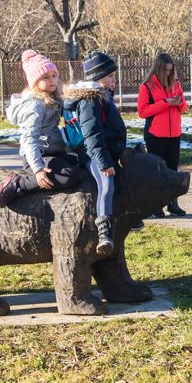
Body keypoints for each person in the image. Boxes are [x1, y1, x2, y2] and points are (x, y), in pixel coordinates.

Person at [0, 50, 83, 206]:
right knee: (69, 177)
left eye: (54, 75)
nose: (52, 80)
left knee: (83, 161)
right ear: (35, 81)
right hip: (39, 156)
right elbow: (29, 138)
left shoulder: (52, 97)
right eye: (45, 77)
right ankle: (18, 184)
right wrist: (38, 169)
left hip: (55, 152)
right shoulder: (34, 105)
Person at [64, 51, 128, 258]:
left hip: (108, 151)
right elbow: (92, 135)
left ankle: (129, 217)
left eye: (114, 76)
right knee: (106, 184)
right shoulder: (90, 100)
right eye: (110, 76)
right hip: (94, 154)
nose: (114, 80)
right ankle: (105, 234)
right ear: (97, 77)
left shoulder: (103, 95)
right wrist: (103, 163)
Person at [136, 52, 188, 218]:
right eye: (165, 70)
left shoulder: (175, 84)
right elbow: (142, 112)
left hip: (174, 134)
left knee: (173, 171)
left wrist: (179, 103)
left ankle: (172, 204)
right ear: (158, 69)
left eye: (170, 70)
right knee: (157, 172)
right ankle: (155, 206)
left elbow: (184, 108)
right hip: (155, 135)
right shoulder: (146, 87)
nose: (168, 73)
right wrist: (165, 103)